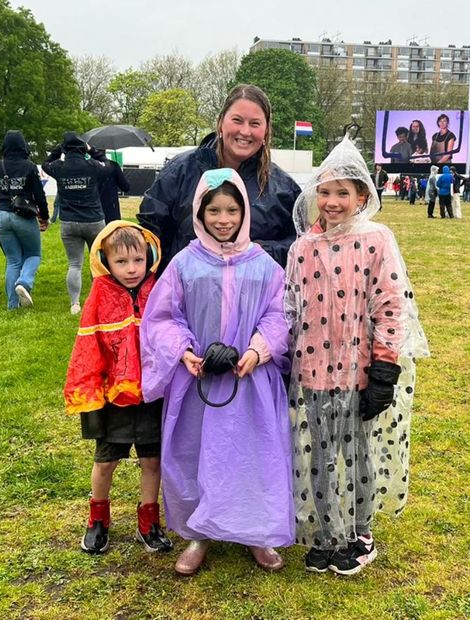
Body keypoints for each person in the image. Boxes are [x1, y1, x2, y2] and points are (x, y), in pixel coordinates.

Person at [140, 168, 294, 576]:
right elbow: (161, 318)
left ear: (244, 211)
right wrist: (184, 351)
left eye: (231, 210)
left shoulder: (263, 265)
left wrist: (258, 350)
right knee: (196, 452)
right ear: (200, 213)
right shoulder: (185, 265)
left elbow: (281, 315)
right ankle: (198, 531)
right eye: (214, 211)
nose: (223, 219)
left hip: (249, 381)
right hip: (199, 383)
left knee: (253, 453)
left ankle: (258, 531)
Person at [286, 136, 429, 576]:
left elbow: (391, 305)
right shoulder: (303, 248)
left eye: (342, 193)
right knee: (318, 449)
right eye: (324, 192)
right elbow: (290, 308)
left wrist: (383, 370)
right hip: (312, 369)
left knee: (359, 453)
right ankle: (328, 531)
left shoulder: (377, 240)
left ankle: (360, 531)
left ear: (362, 196)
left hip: (359, 370)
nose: (331, 202)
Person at [64, 221, 172, 555]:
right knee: (106, 461)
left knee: (152, 461)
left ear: (148, 257)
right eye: (121, 262)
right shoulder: (99, 295)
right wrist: (89, 392)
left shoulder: (158, 290)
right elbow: (87, 348)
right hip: (113, 399)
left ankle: (149, 521)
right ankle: (98, 518)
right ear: (105, 261)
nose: (131, 269)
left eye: (138, 260)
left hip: (151, 395)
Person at [138, 84, 300, 271]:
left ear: (266, 130)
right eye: (237, 120)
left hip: (252, 298)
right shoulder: (180, 171)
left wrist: (264, 251)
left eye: (255, 123)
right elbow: (149, 234)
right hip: (187, 295)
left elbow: (301, 245)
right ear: (221, 122)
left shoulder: (284, 189)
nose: (245, 132)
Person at [0, 130, 49, 310]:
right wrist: (44, 216)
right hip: (24, 215)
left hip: (2, 215)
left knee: (13, 259)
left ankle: (12, 305)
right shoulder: (30, 166)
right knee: (33, 254)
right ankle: (24, 283)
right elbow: (39, 195)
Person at [43, 132, 107, 315]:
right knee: (98, 261)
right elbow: (109, 166)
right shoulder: (92, 165)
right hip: (94, 220)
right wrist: (93, 151)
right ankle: (98, 301)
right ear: (83, 148)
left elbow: (46, 164)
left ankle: (75, 303)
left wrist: (58, 149)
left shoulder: (58, 167)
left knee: (75, 264)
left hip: (69, 222)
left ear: (65, 149)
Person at [91, 147, 130, 224]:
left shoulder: (88, 167)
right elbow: (126, 187)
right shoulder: (113, 166)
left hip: (93, 210)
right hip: (112, 211)